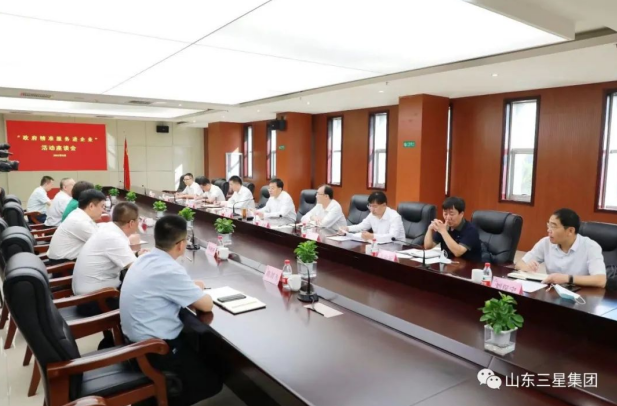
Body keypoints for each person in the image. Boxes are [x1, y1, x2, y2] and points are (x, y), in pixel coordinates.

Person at [120, 215, 222, 406]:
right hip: (156, 351)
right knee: (212, 382)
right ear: (181, 244)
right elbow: (206, 305)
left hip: (134, 344)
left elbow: (167, 286)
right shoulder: (169, 269)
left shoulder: (144, 259)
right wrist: (198, 290)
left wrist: (191, 288)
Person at [72, 202, 147, 309]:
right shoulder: (114, 237)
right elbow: (138, 270)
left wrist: (137, 254)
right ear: (131, 223)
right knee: (145, 295)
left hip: (88, 293)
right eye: (138, 220)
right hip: (94, 300)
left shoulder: (108, 228)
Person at [515, 208, 607, 288]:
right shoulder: (546, 242)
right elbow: (519, 264)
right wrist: (527, 267)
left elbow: (601, 280)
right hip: (552, 293)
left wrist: (567, 278)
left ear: (570, 231)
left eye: (553, 226)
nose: (548, 230)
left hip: (581, 296)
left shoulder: (590, 247)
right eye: (548, 225)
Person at [47, 189, 106, 262]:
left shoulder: (78, 214)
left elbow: (96, 231)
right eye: (102, 206)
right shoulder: (79, 221)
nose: (103, 210)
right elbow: (102, 244)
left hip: (66, 259)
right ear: (91, 206)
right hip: (64, 264)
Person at [424, 196, 482, 262]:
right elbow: (428, 247)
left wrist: (443, 232)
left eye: (451, 214)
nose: (448, 217)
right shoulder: (444, 227)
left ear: (461, 214)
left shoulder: (471, 230)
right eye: (445, 213)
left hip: (469, 266)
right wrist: (430, 229)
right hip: (448, 264)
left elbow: (458, 252)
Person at [339, 191, 405, 243]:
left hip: (396, 248)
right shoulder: (372, 215)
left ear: (384, 205)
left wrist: (372, 236)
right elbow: (362, 226)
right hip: (379, 245)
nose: (372, 209)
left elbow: (392, 237)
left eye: (375, 206)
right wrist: (347, 228)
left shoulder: (394, 217)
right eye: (370, 206)